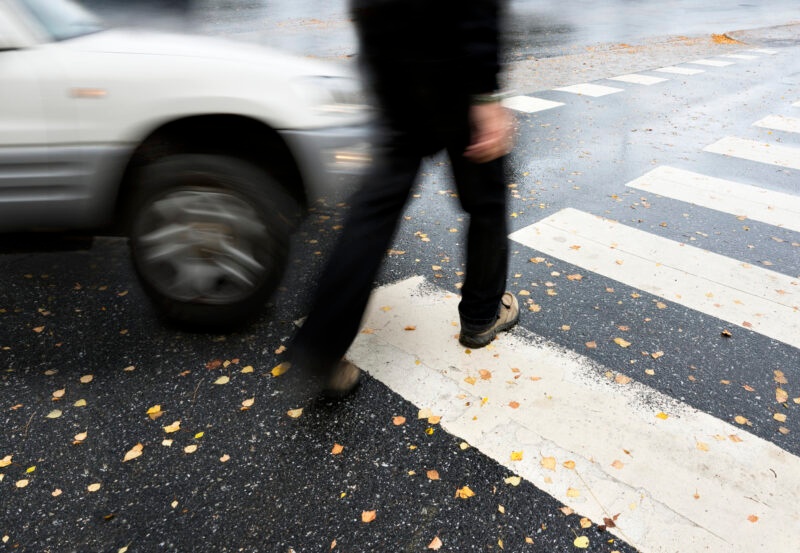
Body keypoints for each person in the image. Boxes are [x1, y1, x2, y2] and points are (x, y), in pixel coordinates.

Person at [287, 0, 518, 397]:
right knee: (486, 200)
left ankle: (320, 347)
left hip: (390, 58)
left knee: (375, 210)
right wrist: (484, 95)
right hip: (452, 61)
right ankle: (481, 316)